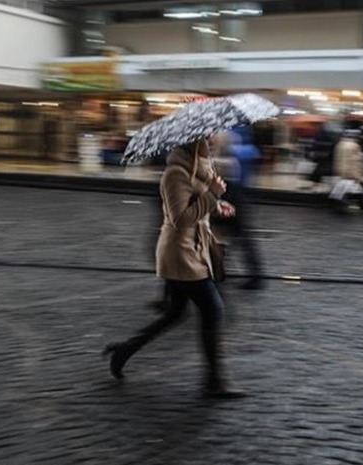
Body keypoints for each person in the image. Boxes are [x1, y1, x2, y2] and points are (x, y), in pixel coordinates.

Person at [102, 137, 245, 399]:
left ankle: (122, 352)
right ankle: (214, 382)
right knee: (213, 309)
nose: (212, 142)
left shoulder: (201, 168)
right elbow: (180, 219)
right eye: (207, 138)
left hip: (193, 250)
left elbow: (197, 208)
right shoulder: (175, 174)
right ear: (193, 142)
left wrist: (216, 204)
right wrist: (212, 195)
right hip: (180, 254)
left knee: (175, 314)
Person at [215, 127, 264, 290]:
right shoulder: (235, 145)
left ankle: (218, 272)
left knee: (224, 236)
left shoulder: (224, 156)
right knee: (235, 237)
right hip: (238, 194)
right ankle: (253, 274)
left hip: (231, 196)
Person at [333, 129, 363, 211]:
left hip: (341, 170)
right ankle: (362, 204)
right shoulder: (354, 146)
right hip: (351, 171)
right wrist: (358, 174)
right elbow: (356, 161)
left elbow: (338, 159)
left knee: (344, 187)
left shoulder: (340, 144)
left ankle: (358, 203)